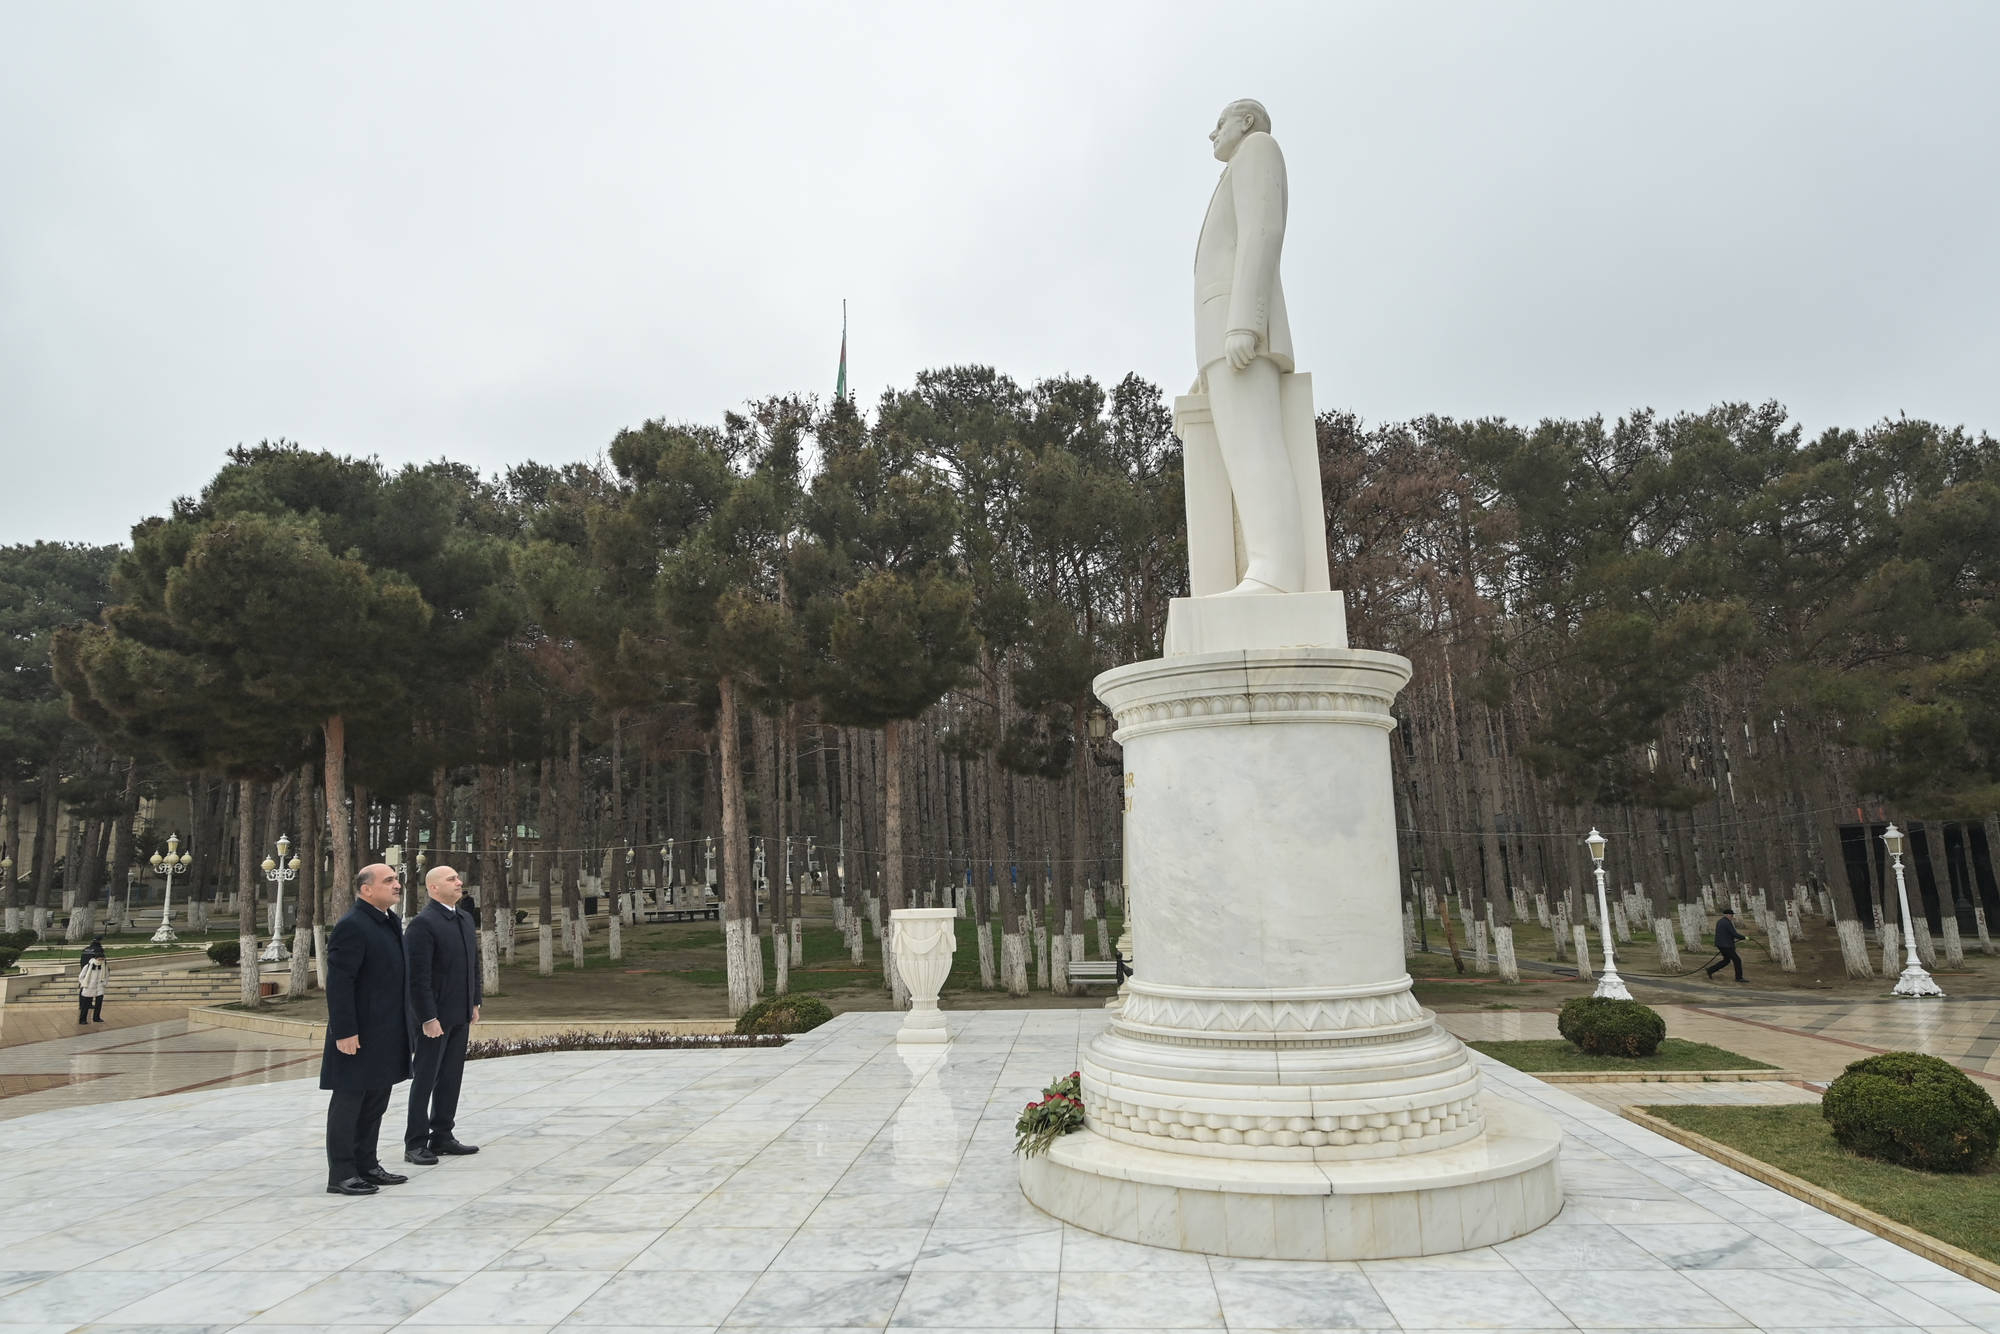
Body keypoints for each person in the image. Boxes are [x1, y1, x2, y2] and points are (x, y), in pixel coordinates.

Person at [320, 863, 413, 1196]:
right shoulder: (353, 925)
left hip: (386, 1032)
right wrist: (345, 1031)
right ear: (366, 889)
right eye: (388, 881)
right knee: (349, 1103)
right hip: (357, 1034)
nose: (397, 884)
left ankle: (367, 1164)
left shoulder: (389, 922)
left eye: (397, 879)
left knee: (376, 1101)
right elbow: (340, 983)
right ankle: (342, 1173)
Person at [403, 863, 482, 1165]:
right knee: (426, 1078)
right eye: (452, 879)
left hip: (459, 1013)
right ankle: (415, 1142)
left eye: (458, 877)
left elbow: (472, 964)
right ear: (434, 887)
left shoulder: (462, 918)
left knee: (451, 1076)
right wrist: (426, 1017)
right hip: (433, 1019)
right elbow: (417, 977)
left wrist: (474, 1001)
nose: (459, 882)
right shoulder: (423, 924)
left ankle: (442, 1135)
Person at [1706, 907, 1747, 983]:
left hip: (1721, 944)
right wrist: (1745, 937)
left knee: (1726, 960)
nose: (1732, 917)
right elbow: (1734, 934)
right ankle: (1739, 978)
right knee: (1737, 960)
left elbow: (1727, 933)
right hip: (1726, 946)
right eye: (1731, 915)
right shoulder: (1727, 923)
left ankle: (1710, 970)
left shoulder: (1720, 921)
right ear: (1727, 915)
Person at [77, 936, 107, 1024]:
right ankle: (83, 1019)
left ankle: (96, 1017)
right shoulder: (97, 952)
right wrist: (84, 983)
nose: (101, 960)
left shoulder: (86, 949)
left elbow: (106, 975)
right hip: (88, 984)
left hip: (99, 986)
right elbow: (81, 976)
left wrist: (104, 983)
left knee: (98, 1003)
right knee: (86, 1004)